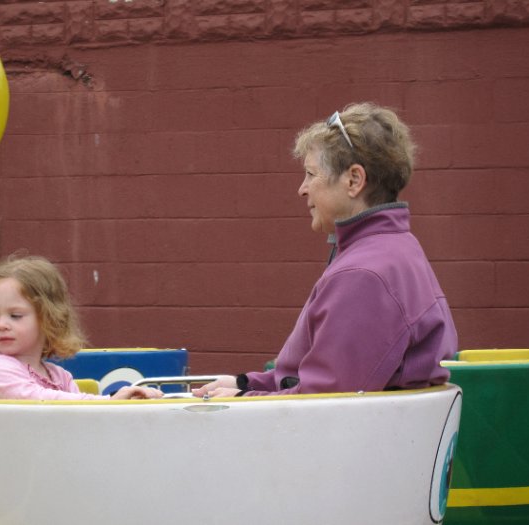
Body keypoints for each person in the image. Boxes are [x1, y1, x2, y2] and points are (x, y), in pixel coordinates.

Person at [193, 102, 458, 398]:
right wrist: (250, 384)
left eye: (311, 173)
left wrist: (244, 400)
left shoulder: (364, 275)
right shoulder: (394, 249)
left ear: (354, 180)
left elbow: (326, 403)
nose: (302, 189)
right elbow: (323, 379)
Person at [0, 255, 163, 400]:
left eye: (15, 316)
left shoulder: (59, 375)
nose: (1, 325)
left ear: (48, 317)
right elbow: (42, 402)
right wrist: (110, 401)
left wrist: (129, 400)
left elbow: (79, 417)